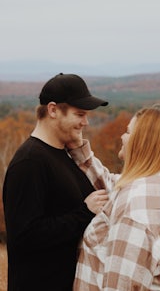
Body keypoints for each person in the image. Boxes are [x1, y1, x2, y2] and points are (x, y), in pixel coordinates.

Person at [70, 105, 160, 290]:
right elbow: (116, 184)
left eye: (128, 132)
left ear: (142, 142)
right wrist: (79, 150)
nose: (122, 137)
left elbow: (121, 286)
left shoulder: (137, 210)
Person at [2, 73, 109, 291]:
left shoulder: (64, 154)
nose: (85, 122)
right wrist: (85, 212)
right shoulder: (29, 162)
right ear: (53, 110)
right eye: (79, 114)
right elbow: (24, 237)